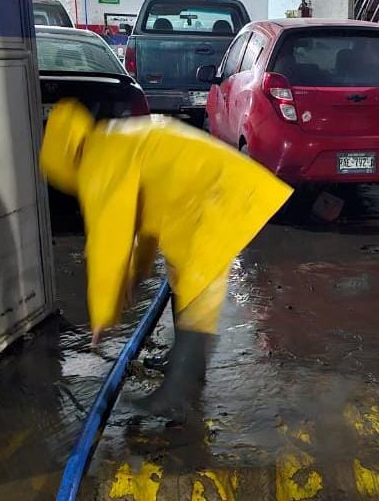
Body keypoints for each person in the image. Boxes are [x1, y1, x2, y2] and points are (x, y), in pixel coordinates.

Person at [39, 99, 292, 422]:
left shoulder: (98, 162)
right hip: (208, 194)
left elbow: (110, 240)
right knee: (184, 280)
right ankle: (182, 365)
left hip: (213, 200)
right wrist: (138, 272)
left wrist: (103, 313)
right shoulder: (113, 140)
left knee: (198, 291)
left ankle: (178, 394)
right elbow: (142, 223)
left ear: (65, 161)